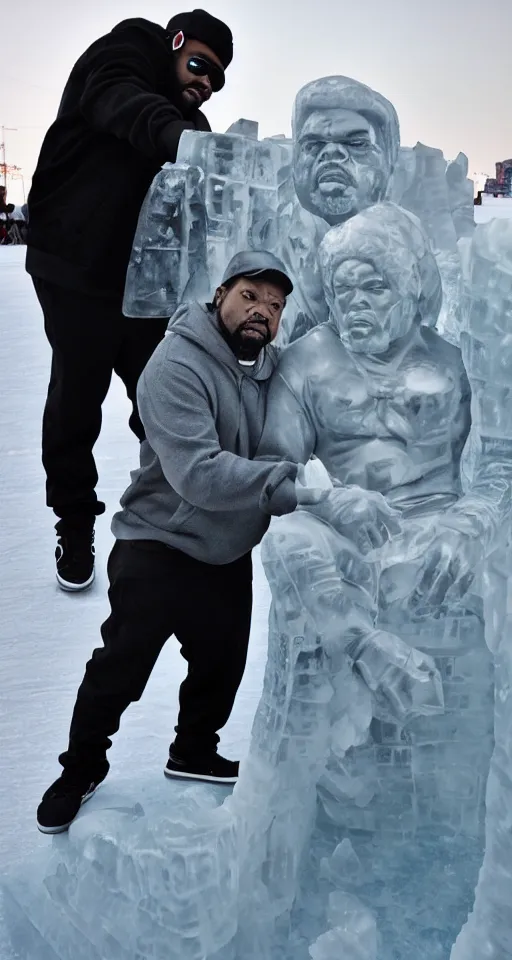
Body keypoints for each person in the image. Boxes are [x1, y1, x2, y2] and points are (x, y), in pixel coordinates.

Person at [36, 250, 301, 835]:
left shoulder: (268, 367)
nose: (262, 312)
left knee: (221, 663)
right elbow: (198, 473)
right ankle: (78, 769)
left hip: (226, 549)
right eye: (250, 296)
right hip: (160, 541)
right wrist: (288, 486)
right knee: (120, 670)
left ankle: (193, 750)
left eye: (276, 306)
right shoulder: (176, 365)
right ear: (220, 296)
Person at [26, 10, 233, 592]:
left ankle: (169, 507)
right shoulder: (123, 55)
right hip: (73, 265)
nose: (205, 84)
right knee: (78, 391)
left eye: (216, 80)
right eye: (199, 65)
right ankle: (73, 516)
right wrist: (185, 141)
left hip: (145, 287)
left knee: (163, 396)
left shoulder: (191, 121)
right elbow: (124, 104)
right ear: (173, 43)